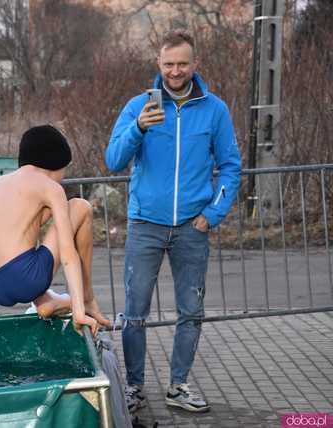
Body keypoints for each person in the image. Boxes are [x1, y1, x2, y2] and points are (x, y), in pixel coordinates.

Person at [105, 30, 241, 413]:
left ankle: (178, 386)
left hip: (191, 228)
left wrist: (212, 214)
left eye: (183, 63)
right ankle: (133, 388)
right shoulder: (137, 106)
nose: (176, 71)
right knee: (134, 313)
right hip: (145, 224)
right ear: (158, 64)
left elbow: (231, 167)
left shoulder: (215, 109)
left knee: (191, 312)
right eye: (169, 64)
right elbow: (113, 160)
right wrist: (139, 128)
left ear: (194, 64)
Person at [0, 125, 111, 336]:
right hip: (25, 279)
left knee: (28, 238)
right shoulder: (50, 187)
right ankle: (87, 299)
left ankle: (47, 302)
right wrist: (79, 310)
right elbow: (68, 254)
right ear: (56, 165)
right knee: (80, 207)